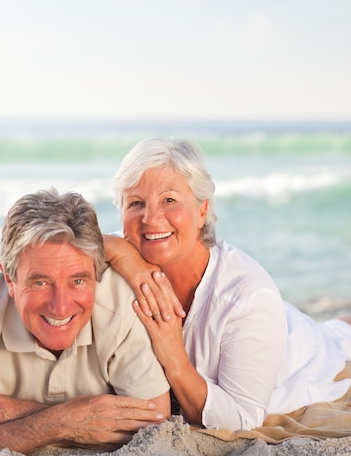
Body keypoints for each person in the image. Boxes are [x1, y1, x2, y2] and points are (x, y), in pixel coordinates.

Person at [102, 137, 351, 431]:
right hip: (276, 321)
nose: (150, 217)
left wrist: (175, 357)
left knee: (338, 338)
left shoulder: (247, 295)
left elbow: (242, 419)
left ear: (203, 211)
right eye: (136, 203)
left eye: (169, 200)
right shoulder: (122, 254)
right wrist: (116, 250)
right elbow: (60, 245)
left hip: (306, 351)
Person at [0, 188, 170, 453]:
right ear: (10, 279)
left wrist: (6, 411)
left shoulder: (120, 304)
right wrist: (65, 421)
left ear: (96, 274)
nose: (60, 307)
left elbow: (155, 424)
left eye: (78, 281)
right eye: (41, 282)